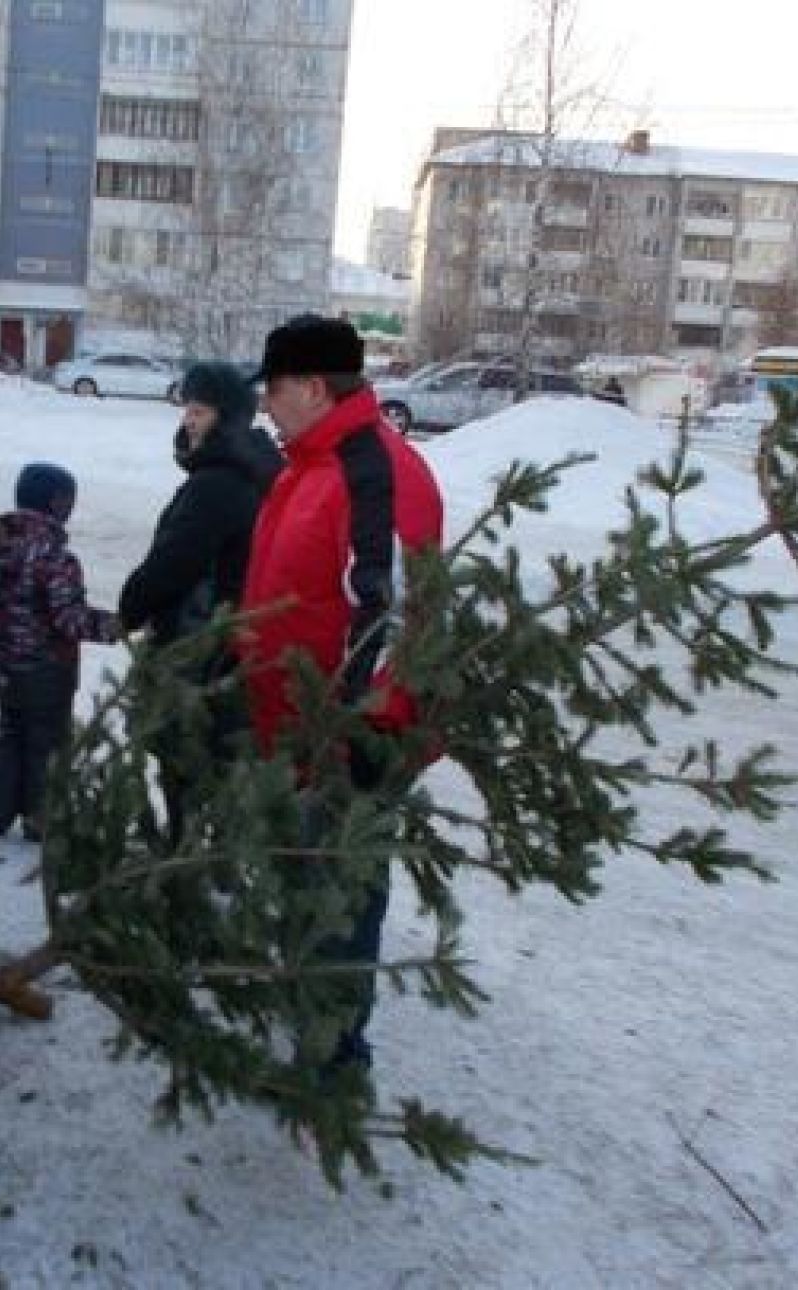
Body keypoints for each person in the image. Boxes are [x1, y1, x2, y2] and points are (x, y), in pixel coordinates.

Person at [238, 314, 444, 1073]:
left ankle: (331, 1062)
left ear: (316, 387)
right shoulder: (307, 465)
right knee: (301, 884)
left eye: (276, 387)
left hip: (349, 738)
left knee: (343, 898)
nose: (265, 404)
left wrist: (351, 735)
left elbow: (388, 618)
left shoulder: (371, 472)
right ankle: (304, 1022)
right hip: (293, 731)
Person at [117, 362, 282, 841]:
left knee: (184, 758)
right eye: (186, 408)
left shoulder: (217, 484)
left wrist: (130, 607)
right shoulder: (246, 472)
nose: (188, 419)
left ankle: (185, 862)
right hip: (224, 643)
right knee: (215, 762)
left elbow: (173, 563)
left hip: (196, 643)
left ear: (227, 417)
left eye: (200, 410)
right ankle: (208, 856)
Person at [0, 464, 120, 841]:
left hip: (4, 662)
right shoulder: (54, 557)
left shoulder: (1, 547)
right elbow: (68, 619)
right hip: (46, 669)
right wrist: (117, 626)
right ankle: (42, 819)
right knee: (47, 741)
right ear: (57, 503)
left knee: (10, 731)